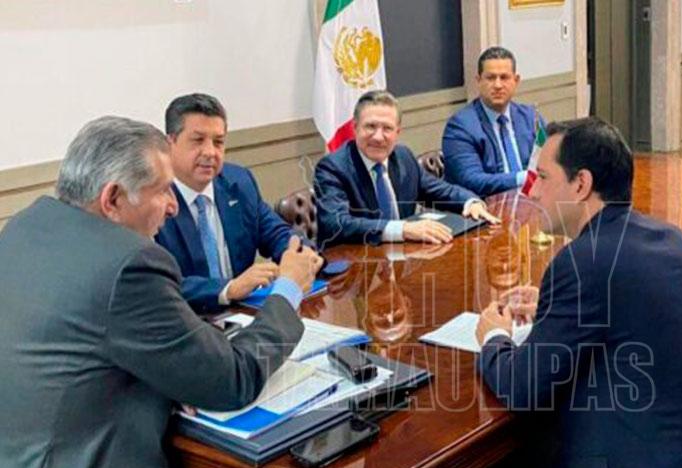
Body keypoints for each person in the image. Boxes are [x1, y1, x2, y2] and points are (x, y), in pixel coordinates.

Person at [0, 116, 322, 468]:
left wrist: (177, 370)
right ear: (113, 199)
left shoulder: (25, 226)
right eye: (164, 190)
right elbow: (232, 380)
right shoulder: (129, 264)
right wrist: (288, 291)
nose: (172, 207)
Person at [473, 118, 682, 468]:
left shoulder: (582, 261)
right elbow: (632, 310)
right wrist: (553, 306)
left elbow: (522, 389)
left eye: (542, 177)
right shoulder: (673, 239)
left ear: (581, 184)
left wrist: (493, 335)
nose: (533, 192)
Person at [155, 93, 304, 313]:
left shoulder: (238, 181)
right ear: (170, 143)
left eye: (218, 142)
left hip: (243, 315)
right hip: (186, 321)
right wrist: (229, 289)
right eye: (198, 140)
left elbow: (276, 233)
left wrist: (296, 253)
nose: (210, 152)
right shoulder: (153, 200)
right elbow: (159, 285)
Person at [315, 90, 499, 246]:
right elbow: (335, 223)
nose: (378, 137)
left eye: (387, 128)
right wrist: (402, 229)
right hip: (357, 265)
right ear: (355, 128)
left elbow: (439, 190)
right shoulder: (333, 168)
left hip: (401, 260)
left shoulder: (403, 157)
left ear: (397, 132)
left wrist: (470, 202)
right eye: (370, 126)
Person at [442, 46, 546, 196]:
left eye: (504, 77)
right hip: (486, 205)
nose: (498, 85)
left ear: (516, 81)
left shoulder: (530, 117)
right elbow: (472, 181)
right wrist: (526, 178)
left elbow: (551, 163)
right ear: (478, 81)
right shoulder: (460, 126)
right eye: (490, 78)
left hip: (531, 201)